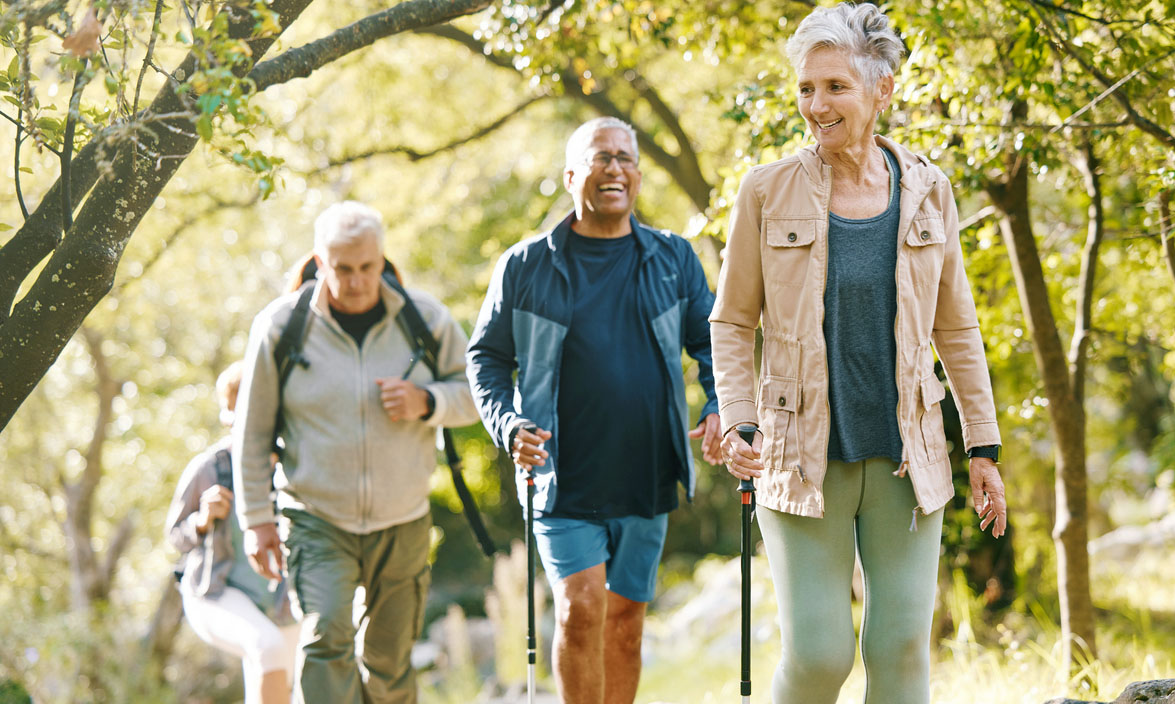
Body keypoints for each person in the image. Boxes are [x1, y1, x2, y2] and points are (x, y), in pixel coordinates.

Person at [711, 4, 1008, 703]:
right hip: (797, 453)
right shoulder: (765, 191)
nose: (816, 105)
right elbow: (731, 322)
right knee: (819, 655)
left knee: (899, 649)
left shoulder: (930, 190)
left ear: (883, 89)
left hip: (910, 456)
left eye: (834, 87)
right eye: (806, 89)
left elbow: (957, 330)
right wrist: (736, 419)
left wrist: (983, 448)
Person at [466, 116, 721, 704]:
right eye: (601, 157)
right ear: (572, 175)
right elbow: (485, 359)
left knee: (626, 623)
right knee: (581, 609)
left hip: (647, 472)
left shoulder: (672, 259)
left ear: (636, 175)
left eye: (626, 158)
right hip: (560, 479)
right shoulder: (525, 266)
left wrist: (718, 406)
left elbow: (713, 342)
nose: (615, 168)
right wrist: (507, 425)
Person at [232, 201, 480, 704]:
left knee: (390, 657)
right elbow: (251, 432)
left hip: (403, 516)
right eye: (342, 269)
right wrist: (256, 520)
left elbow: (476, 394)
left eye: (367, 267)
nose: (356, 280)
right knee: (326, 641)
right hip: (317, 518)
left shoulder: (424, 320)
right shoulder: (280, 328)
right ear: (320, 262)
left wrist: (427, 401)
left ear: (381, 257)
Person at [165, 362, 299, 704]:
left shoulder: (295, 468)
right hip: (215, 592)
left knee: (285, 685)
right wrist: (202, 519)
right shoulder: (210, 469)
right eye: (240, 409)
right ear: (228, 415)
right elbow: (174, 537)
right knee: (267, 649)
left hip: (281, 600)